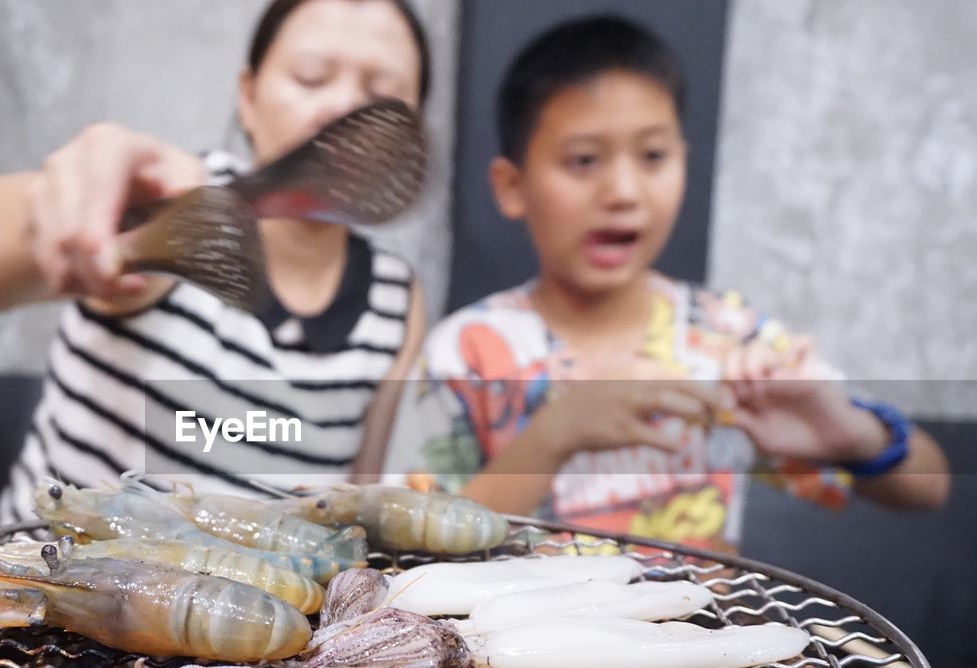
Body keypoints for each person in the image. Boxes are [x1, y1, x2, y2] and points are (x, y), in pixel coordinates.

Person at [385, 14, 949, 551]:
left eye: (653, 156)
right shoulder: (468, 352)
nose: (624, 190)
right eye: (584, 160)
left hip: (708, 645)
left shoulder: (729, 338)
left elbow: (929, 487)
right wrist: (553, 435)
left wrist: (856, 437)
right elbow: (409, 545)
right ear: (512, 186)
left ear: (684, 161)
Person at [0, 0, 432, 519]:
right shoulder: (178, 201)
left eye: (382, 97)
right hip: (43, 582)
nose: (343, 110)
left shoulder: (395, 300)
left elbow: (351, 502)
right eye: (310, 78)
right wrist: (51, 213)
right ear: (248, 97)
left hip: (257, 597)